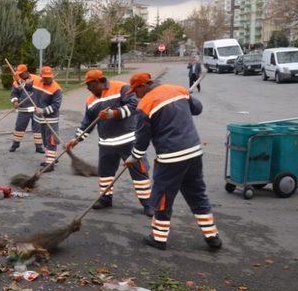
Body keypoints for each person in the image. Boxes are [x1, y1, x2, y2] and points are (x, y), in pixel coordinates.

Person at [124, 73, 222, 251]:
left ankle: (159, 238)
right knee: (197, 194)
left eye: (135, 91)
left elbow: (142, 139)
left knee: (162, 197)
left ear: (142, 86)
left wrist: (134, 157)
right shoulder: (178, 90)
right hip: (193, 152)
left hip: (171, 158)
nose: (135, 95)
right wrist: (187, 97)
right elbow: (197, 109)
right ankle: (212, 236)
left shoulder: (145, 105)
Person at [65, 70, 153, 216]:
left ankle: (148, 204)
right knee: (105, 174)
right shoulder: (90, 101)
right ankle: (105, 199)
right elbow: (88, 122)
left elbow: (133, 106)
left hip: (129, 141)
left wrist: (113, 113)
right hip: (106, 144)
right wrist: (76, 139)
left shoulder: (121, 88)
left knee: (139, 173)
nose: (87, 88)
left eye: (89, 84)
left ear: (98, 82)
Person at [32, 66, 62, 171]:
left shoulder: (56, 89)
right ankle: (52, 158)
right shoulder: (37, 83)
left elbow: (56, 106)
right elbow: (27, 87)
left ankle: (50, 165)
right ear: (41, 77)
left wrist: (43, 110)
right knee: (45, 140)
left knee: (51, 141)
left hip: (51, 119)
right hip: (40, 119)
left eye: (49, 77)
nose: (47, 79)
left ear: (52, 76)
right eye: (45, 77)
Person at [9, 64, 44, 153]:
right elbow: (14, 94)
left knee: (38, 128)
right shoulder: (16, 81)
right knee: (19, 127)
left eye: (21, 73)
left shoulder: (36, 79)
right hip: (23, 109)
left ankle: (39, 146)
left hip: (36, 108)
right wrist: (15, 101)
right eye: (18, 73)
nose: (20, 75)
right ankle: (15, 144)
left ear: (26, 71)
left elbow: (43, 90)